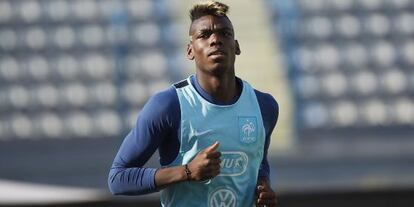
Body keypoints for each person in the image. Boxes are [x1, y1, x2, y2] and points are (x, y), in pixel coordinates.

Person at [108, 1, 279, 206]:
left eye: (225, 33)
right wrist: (186, 172)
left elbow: (258, 162)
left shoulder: (264, 106)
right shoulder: (168, 105)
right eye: (204, 35)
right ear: (190, 51)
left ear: (236, 47)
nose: (215, 40)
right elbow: (118, 178)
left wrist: (263, 186)